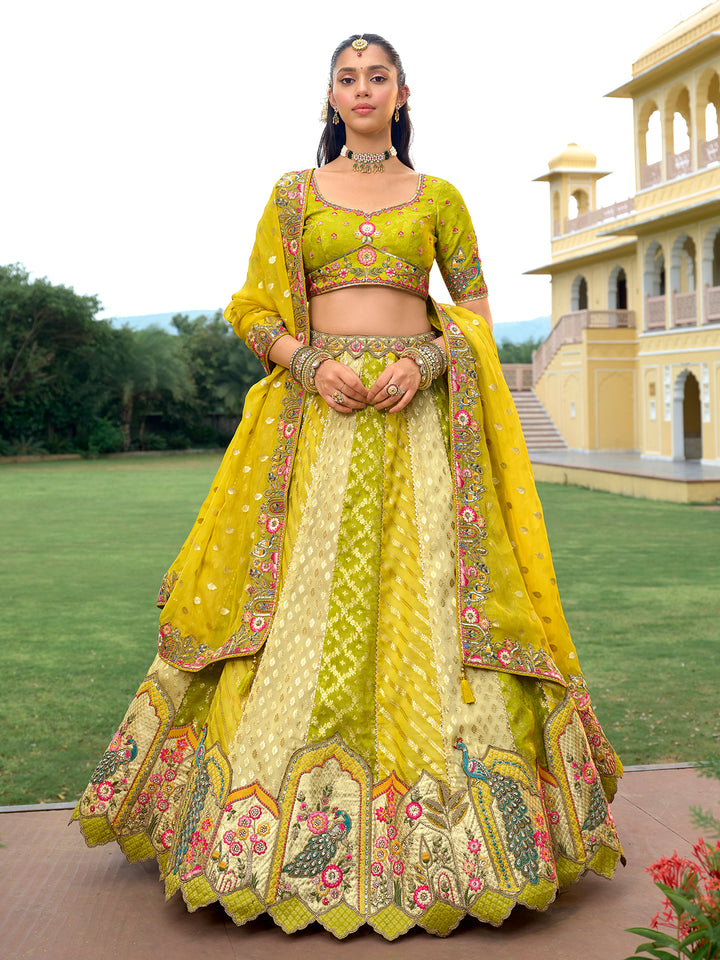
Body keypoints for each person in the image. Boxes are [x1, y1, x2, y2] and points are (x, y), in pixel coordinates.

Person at [73, 33, 623, 940]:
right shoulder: (293, 196)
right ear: (331, 97)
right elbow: (253, 307)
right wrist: (306, 359)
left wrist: (436, 358)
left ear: (404, 91)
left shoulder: (439, 197)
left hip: (419, 429)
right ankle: (256, 842)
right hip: (317, 429)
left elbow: (477, 307)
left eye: (378, 76)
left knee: (435, 600)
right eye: (347, 77)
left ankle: (464, 848)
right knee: (296, 602)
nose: (362, 89)